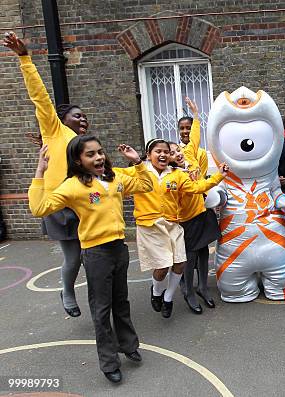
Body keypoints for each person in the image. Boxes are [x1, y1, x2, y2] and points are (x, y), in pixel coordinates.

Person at [28, 135, 153, 383]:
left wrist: (138, 161)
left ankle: (128, 345)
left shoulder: (114, 177)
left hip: (119, 248)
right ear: (78, 160)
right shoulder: (73, 186)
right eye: (90, 154)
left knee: (121, 302)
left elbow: (146, 185)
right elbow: (38, 208)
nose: (98, 158)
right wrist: (40, 171)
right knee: (101, 308)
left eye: (100, 152)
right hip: (96, 253)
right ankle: (109, 363)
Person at [3, 31, 88, 317]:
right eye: (77, 115)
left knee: (92, 255)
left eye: (84, 116)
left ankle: (100, 296)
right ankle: (67, 290)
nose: (83, 119)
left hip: (87, 203)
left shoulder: (88, 146)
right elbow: (39, 97)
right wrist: (25, 59)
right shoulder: (54, 130)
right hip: (61, 205)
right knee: (73, 258)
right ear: (62, 119)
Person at [116, 138, 227, 318]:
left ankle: (168, 298)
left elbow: (197, 187)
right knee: (162, 266)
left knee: (180, 263)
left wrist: (218, 175)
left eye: (166, 152)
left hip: (173, 224)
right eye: (157, 151)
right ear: (149, 154)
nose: (163, 155)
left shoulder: (177, 174)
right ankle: (157, 292)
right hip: (150, 226)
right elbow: (109, 175)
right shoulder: (137, 172)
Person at [171, 98, 221, 313]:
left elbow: (194, 140)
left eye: (188, 128)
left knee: (203, 252)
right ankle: (188, 291)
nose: (178, 153)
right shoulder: (172, 173)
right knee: (189, 255)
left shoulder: (191, 156)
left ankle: (202, 287)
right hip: (186, 218)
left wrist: (197, 115)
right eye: (173, 153)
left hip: (202, 211)